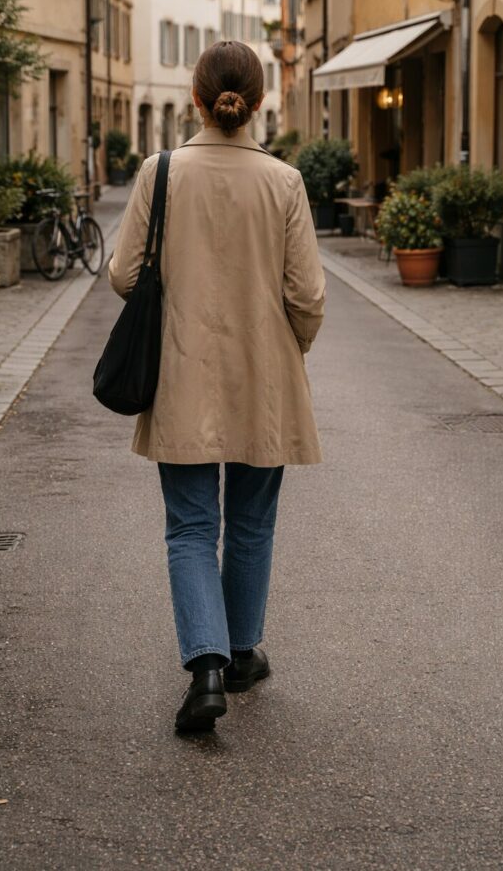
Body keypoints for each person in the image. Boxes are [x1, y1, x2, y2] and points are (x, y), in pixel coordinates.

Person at [108, 41, 325, 733]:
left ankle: (204, 669)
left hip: (183, 371)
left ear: (196, 100)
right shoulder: (285, 182)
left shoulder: (160, 172)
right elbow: (308, 296)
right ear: (257, 104)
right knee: (253, 522)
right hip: (267, 377)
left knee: (192, 526)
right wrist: (292, 349)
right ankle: (239, 652)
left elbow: (122, 275)